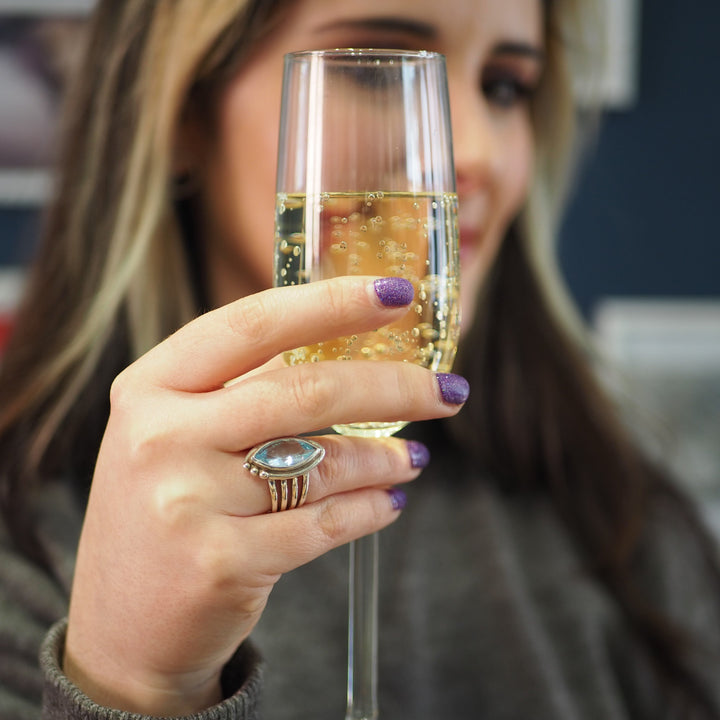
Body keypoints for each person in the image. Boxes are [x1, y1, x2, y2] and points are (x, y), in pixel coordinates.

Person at [0, 0, 719, 718]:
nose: (472, 152)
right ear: (185, 110)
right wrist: (135, 684)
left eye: (504, 86)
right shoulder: (23, 549)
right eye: (375, 69)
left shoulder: (624, 522)